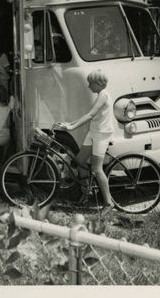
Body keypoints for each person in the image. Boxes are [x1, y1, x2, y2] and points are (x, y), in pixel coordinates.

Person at [57, 69, 114, 215]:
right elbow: (88, 116)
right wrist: (70, 123)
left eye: (90, 83)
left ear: (98, 83)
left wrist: (72, 126)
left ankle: (108, 203)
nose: (89, 86)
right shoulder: (100, 94)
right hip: (93, 131)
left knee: (96, 169)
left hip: (102, 134)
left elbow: (90, 115)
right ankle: (86, 192)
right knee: (79, 161)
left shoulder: (104, 95)